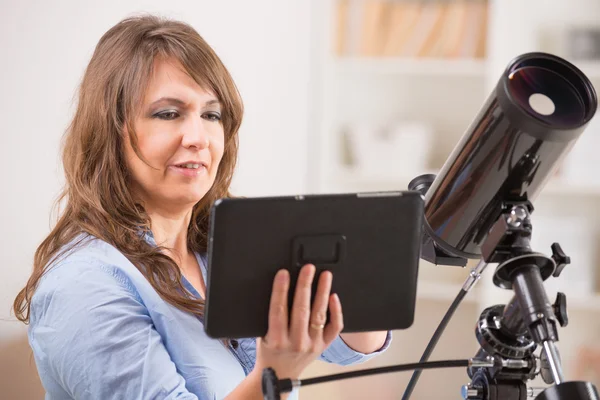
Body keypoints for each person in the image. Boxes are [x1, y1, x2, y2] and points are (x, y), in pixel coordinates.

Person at [13, 14, 391, 400]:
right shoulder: (83, 285)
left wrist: (372, 263)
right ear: (111, 130)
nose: (198, 138)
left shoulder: (225, 243)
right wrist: (275, 372)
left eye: (211, 115)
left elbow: (350, 346)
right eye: (168, 113)